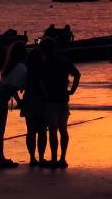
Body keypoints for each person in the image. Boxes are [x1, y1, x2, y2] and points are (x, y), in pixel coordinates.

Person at [0, 40, 27, 168]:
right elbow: (12, 88)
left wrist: (18, 101)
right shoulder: (21, 68)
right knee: (0, 128)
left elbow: (11, 87)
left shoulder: (12, 65)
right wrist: (20, 101)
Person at [40, 36, 80, 168]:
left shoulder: (44, 63)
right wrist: (72, 90)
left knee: (52, 130)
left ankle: (53, 159)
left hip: (51, 100)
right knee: (63, 129)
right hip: (63, 99)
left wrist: (44, 92)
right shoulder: (63, 61)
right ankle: (62, 158)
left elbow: (40, 81)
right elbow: (77, 74)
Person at [21, 44, 48, 167]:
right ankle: (41, 157)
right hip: (40, 101)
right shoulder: (41, 69)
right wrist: (47, 96)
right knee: (42, 131)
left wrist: (19, 99)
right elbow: (41, 84)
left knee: (30, 130)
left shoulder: (25, 70)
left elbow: (20, 86)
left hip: (28, 100)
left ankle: (32, 158)